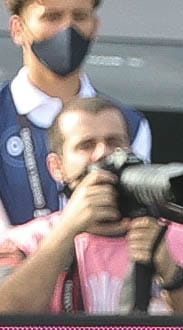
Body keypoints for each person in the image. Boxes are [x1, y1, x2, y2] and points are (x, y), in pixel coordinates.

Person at [0, 96, 183, 314]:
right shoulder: (23, 243)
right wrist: (67, 230)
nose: (103, 154)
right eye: (86, 145)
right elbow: (6, 312)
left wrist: (173, 277)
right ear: (57, 167)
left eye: (115, 143)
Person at [2, 0, 151, 235]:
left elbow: (132, 226)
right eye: (52, 17)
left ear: (95, 27)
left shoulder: (129, 124)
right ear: (18, 29)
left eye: (80, 17)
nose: (67, 29)